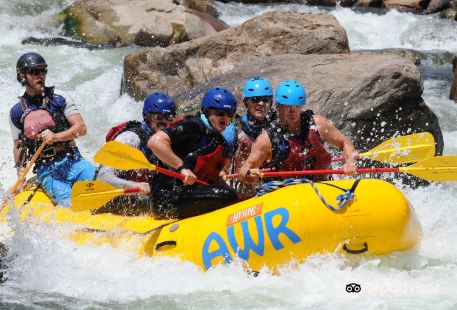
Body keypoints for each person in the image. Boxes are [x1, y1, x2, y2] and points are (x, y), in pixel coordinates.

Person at [9, 52, 95, 206]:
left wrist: (56, 137)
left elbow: (81, 129)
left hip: (73, 160)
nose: (40, 75)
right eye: (35, 71)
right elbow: (18, 146)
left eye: (43, 71)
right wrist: (20, 177)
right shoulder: (16, 112)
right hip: (47, 169)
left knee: (96, 188)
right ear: (22, 76)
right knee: (68, 203)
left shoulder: (60, 98)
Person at [239, 80, 357, 184]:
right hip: (289, 194)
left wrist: (349, 161)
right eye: (287, 107)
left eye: (297, 106)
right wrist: (249, 175)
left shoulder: (318, 124)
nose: (293, 112)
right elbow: (246, 167)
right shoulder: (267, 138)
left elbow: (345, 142)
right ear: (278, 106)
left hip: (324, 185)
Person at [148, 86, 240, 219]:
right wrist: (182, 168)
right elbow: (155, 142)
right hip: (166, 199)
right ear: (207, 111)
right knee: (226, 195)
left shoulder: (218, 139)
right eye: (220, 113)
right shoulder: (193, 125)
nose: (225, 118)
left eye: (230, 114)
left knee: (232, 193)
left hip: (189, 195)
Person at [95, 92, 176, 215]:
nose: (164, 122)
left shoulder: (167, 140)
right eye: (159, 117)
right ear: (147, 116)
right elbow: (103, 178)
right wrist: (134, 186)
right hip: (118, 198)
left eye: (168, 117)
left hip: (145, 198)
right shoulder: (130, 138)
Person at [224, 77, 277, 198]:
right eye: (255, 100)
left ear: (271, 102)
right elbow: (224, 165)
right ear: (246, 103)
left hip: (274, 182)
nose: (261, 104)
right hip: (244, 184)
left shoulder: (280, 125)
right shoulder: (234, 130)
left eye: (265, 100)